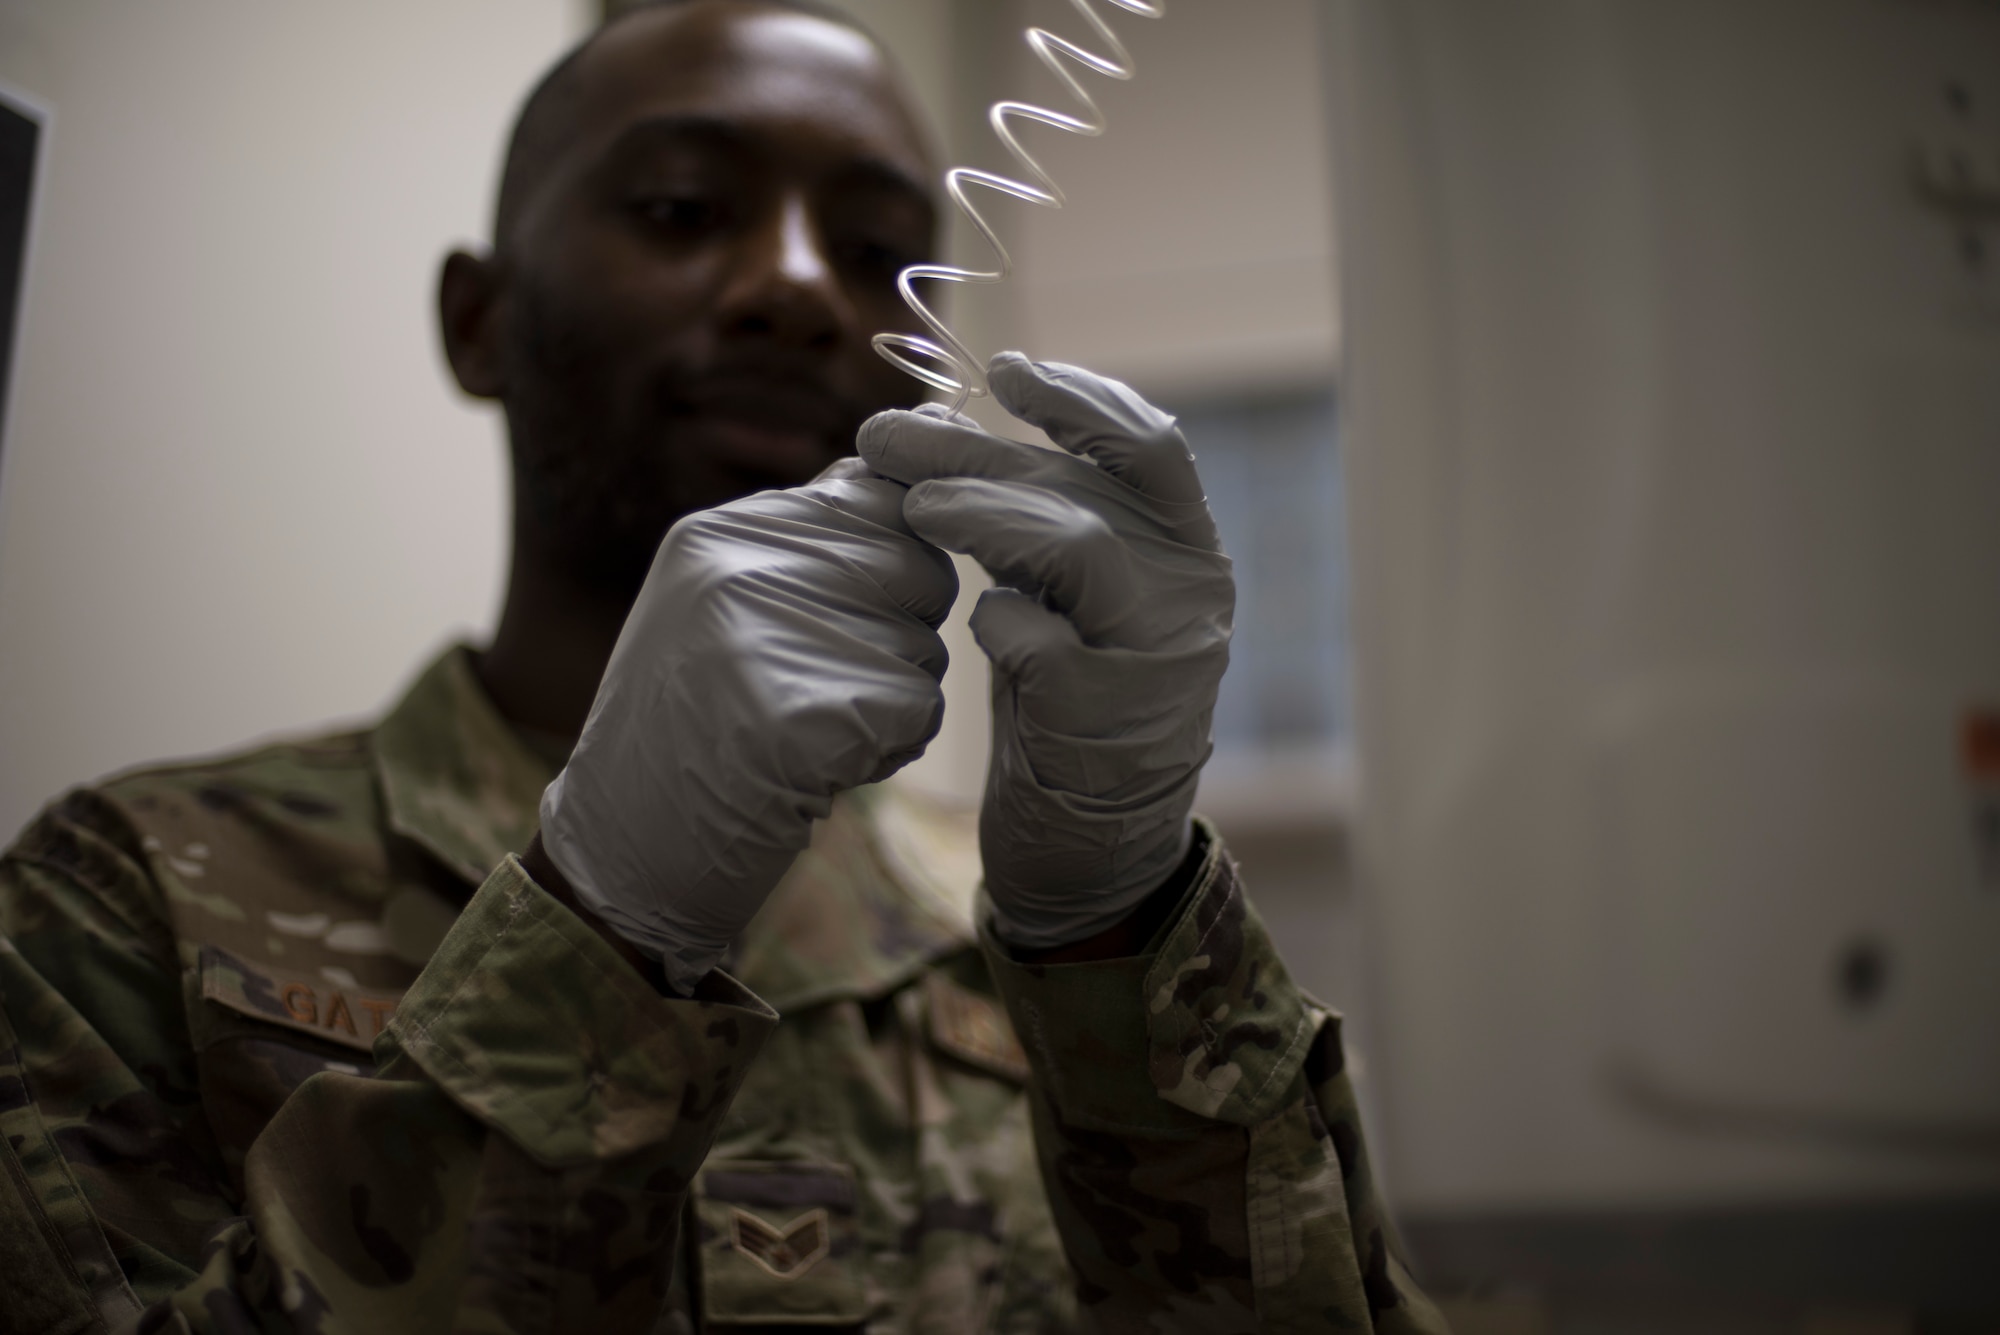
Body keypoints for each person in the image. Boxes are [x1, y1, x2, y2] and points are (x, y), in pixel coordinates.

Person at [0, 2, 1447, 1331]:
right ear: (479, 321)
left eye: (883, 249)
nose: (802, 289)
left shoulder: (1049, 948)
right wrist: (597, 927)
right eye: (684, 210)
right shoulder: (125, 903)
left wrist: (1122, 936)